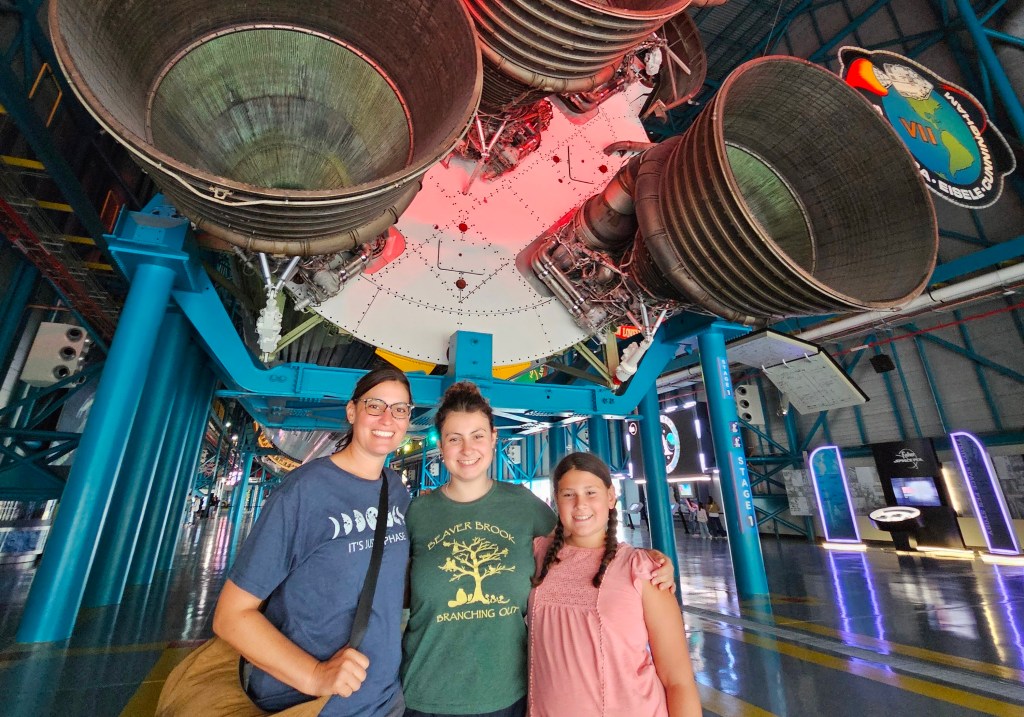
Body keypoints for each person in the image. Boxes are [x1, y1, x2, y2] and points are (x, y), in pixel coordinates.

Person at [401, 382, 675, 717]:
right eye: (454, 438)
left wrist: (647, 561)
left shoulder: (522, 505)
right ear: (441, 444)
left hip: (507, 696)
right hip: (427, 695)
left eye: (477, 435)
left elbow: (581, 540)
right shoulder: (417, 513)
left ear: (494, 439)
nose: (467, 448)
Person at [212, 367, 413, 716]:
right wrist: (315, 675)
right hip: (314, 705)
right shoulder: (304, 491)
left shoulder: (395, 491)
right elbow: (231, 616)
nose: (387, 419)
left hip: (385, 698)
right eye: (374, 405)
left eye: (400, 409)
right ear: (352, 411)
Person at [528, 452, 701, 717]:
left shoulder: (642, 569)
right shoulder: (538, 555)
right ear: (556, 501)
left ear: (610, 497)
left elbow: (677, 680)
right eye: (568, 494)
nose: (580, 504)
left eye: (591, 493)